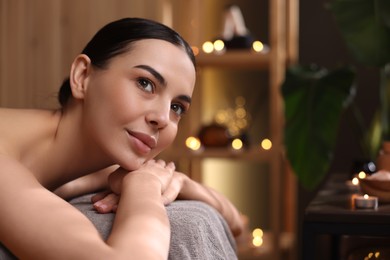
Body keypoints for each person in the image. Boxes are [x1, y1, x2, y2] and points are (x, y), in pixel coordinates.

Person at [0, 17, 244, 259]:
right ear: (82, 76)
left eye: (177, 107)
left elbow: (237, 223)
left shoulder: (98, 165)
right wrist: (144, 187)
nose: (162, 117)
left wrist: (180, 182)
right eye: (145, 84)